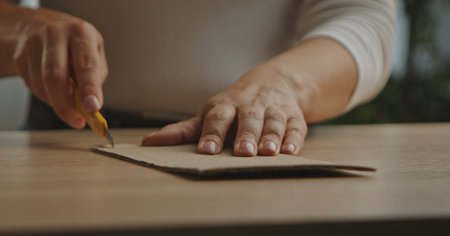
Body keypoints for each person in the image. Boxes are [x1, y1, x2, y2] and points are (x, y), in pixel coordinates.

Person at [0, 0, 396, 156]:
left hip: (261, 147)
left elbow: (361, 18)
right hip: (67, 147)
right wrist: (18, 27)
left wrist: (282, 83)